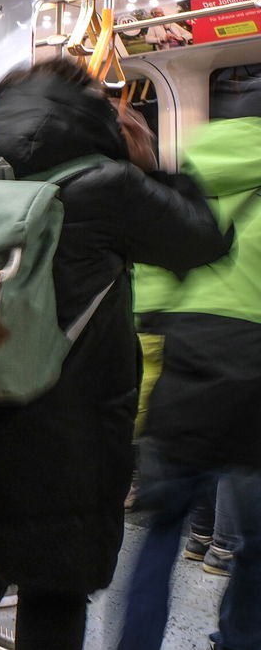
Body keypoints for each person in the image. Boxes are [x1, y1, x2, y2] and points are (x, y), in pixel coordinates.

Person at [0, 58, 229, 650]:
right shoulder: (110, 185)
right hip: (67, 426)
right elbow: (201, 241)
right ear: (91, 114)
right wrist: (149, 164)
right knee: (56, 583)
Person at [116, 80, 261, 650]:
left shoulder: (192, 179)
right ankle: (241, 640)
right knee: (255, 543)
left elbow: (150, 297)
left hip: (188, 372)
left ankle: (136, 644)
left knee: (160, 537)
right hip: (256, 377)